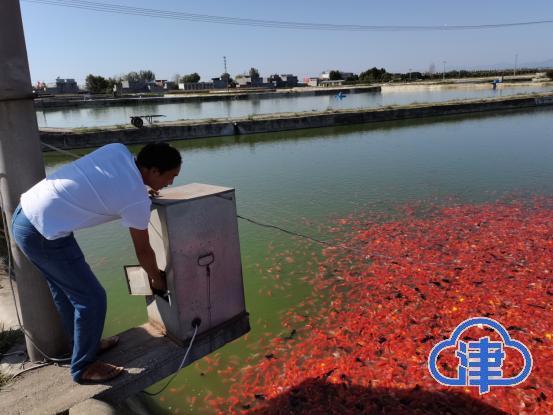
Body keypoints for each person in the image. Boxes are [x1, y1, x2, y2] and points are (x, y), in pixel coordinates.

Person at [11, 142, 181, 383]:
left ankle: (83, 344)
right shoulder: (135, 199)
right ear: (153, 171)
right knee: (92, 298)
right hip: (41, 233)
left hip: (30, 214)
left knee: (67, 292)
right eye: (170, 177)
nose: (170, 184)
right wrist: (157, 279)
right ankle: (83, 368)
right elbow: (143, 251)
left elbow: (111, 181)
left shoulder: (118, 150)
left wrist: (139, 189)